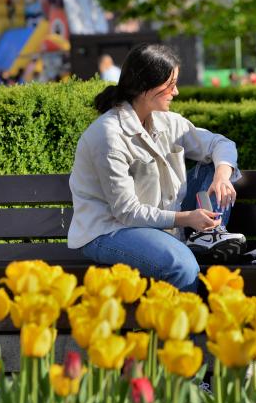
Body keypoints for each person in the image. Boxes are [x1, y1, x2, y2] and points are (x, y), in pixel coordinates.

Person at [68, 44, 246, 292]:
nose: (176, 92)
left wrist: (222, 177)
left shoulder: (167, 121)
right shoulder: (108, 135)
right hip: (110, 231)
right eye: (170, 84)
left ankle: (206, 238)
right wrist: (187, 218)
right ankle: (181, 330)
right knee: (182, 265)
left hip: (162, 223)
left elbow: (221, 144)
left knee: (212, 167)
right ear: (145, 86)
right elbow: (126, 213)